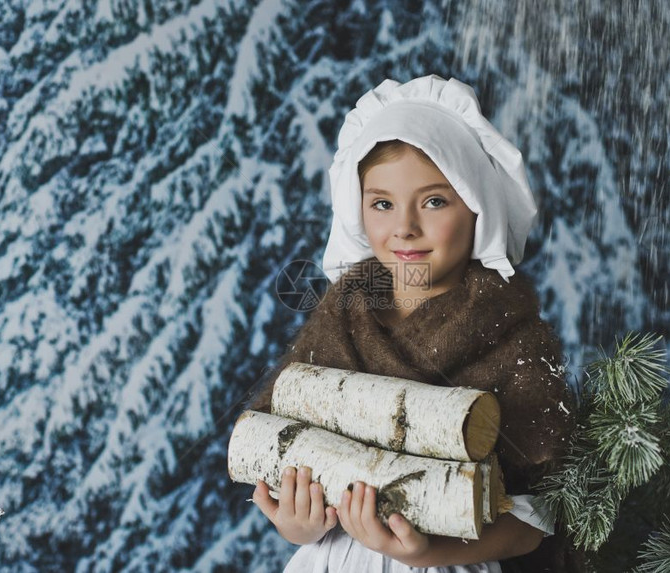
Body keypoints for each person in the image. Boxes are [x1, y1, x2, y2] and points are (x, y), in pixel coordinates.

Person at [245, 74, 581, 572]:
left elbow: (540, 514)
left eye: (433, 201)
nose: (404, 226)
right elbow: (283, 458)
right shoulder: (340, 315)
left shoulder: (515, 336)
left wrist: (431, 553)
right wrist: (298, 524)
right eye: (382, 203)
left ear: (478, 208)